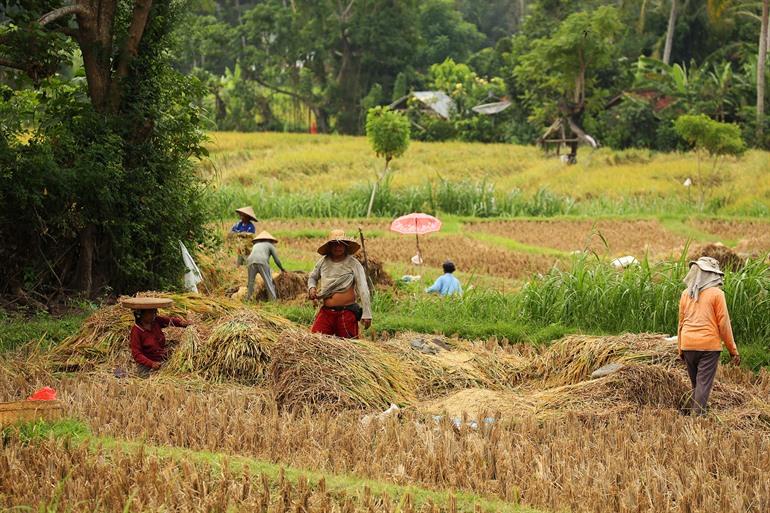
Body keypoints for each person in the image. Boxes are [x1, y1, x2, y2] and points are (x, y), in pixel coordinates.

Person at [678, 256, 740, 415]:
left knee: (697, 385)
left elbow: (681, 323)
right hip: (708, 347)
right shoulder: (716, 294)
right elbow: (724, 324)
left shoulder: (686, 293)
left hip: (688, 344)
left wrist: (680, 349)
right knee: (703, 384)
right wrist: (733, 350)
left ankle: (699, 411)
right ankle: (697, 418)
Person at [308, 230, 372, 338]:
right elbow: (312, 277)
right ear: (329, 246)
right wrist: (312, 287)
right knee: (315, 340)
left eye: (341, 244)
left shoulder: (353, 263)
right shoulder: (323, 262)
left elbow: (363, 288)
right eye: (335, 244)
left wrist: (367, 313)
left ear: (346, 246)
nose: (338, 247)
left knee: (348, 346)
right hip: (326, 312)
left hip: (346, 313)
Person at [128, 303, 190, 374]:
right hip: (148, 365)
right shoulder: (136, 331)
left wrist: (181, 323)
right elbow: (137, 354)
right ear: (140, 314)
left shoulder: (155, 321)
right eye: (150, 313)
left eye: (154, 312)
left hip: (162, 358)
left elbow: (169, 321)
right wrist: (151, 363)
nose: (153, 315)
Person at [246, 231, 286, 301]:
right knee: (268, 281)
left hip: (250, 261)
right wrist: (282, 269)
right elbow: (276, 260)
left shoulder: (255, 245)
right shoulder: (270, 245)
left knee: (251, 282)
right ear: (270, 240)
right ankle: (272, 300)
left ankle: (248, 299)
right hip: (262, 261)